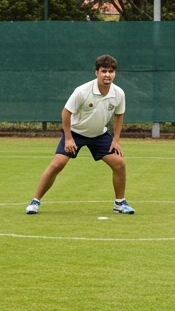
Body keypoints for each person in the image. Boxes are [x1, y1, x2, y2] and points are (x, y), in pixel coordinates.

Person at [26, 55, 133, 215]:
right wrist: (68, 138)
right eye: (104, 71)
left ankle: (120, 203)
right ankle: (35, 201)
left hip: (99, 135)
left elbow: (119, 115)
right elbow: (66, 113)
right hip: (76, 133)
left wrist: (116, 141)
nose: (107, 75)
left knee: (120, 164)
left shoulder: (119, 93)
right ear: (96, 72)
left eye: (111, 71)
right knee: (57, 164)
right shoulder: (82, 91)